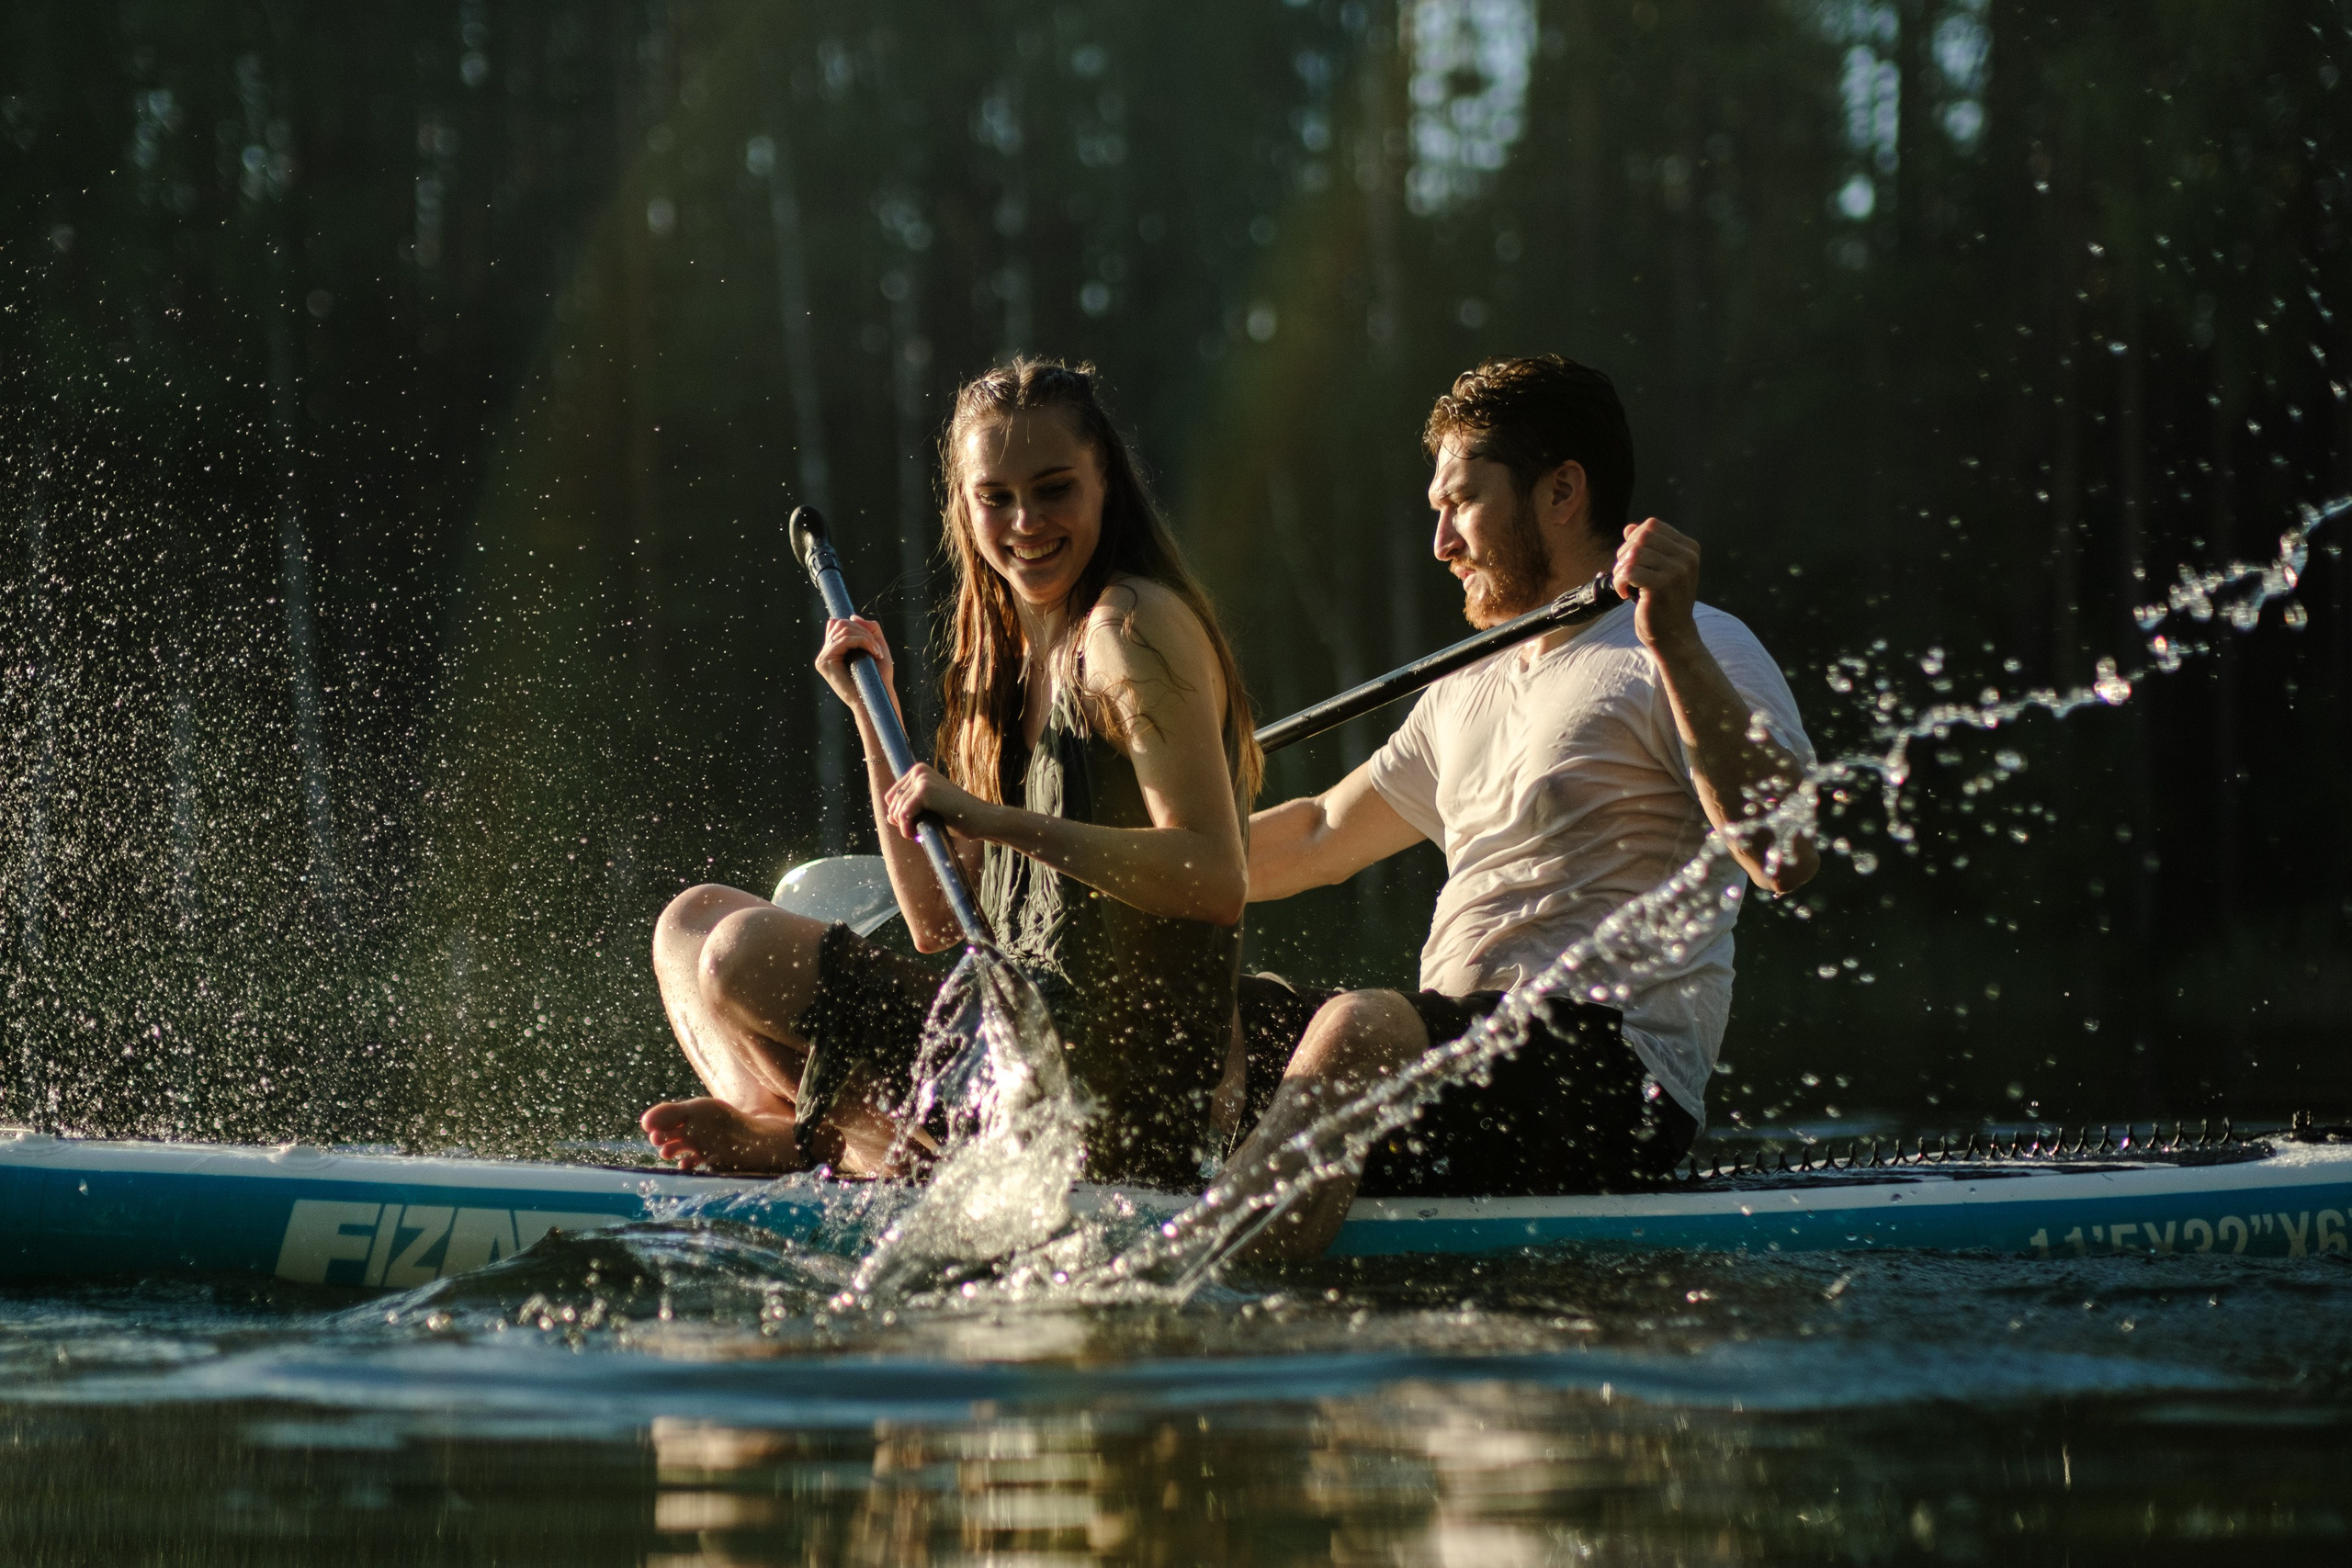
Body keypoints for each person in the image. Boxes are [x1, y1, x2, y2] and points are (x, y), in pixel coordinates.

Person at [1225, 355, 1818, 1256]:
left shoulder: (1696, 645)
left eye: (1459, 504)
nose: (1441, 544)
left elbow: (1783, 850)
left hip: (1617, 1079)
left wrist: (1676, 647)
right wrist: (1090, 854)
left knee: (1353, 1029)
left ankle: (1204, 1303)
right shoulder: (1468, 685)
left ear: (1561, 492)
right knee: (1199, 1017)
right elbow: (1314, 835)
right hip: (1456, 1062)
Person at [642, 358, 1261, 1190]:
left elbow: (1214, 875)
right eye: (995, 497)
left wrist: (996, 818)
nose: (1025, 521)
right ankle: (801, 1133)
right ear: (963, 507)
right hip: (1005, 1044)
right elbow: (937, 919)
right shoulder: (1002, 664)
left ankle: (824, 1147)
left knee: (740, 953)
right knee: (690, 925)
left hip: (1109, 1092)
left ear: (1104, 480)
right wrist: (876, 713)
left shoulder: (1130, 628)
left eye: (1053, 489)